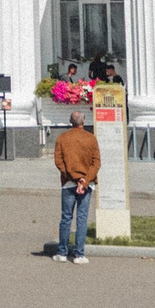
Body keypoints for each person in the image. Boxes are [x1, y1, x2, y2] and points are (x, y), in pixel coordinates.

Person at [53, 104, 98, 263]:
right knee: (82, 218)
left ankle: (62, 253)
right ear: (83, 122)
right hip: (87, 184)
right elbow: (96, 162)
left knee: (66, 217)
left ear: (70, 122)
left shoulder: (62, 138)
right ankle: (79, 254)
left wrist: (74, 178)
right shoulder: (91, 138)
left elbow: (59, 161)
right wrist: (84, 181)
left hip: (68, 184)